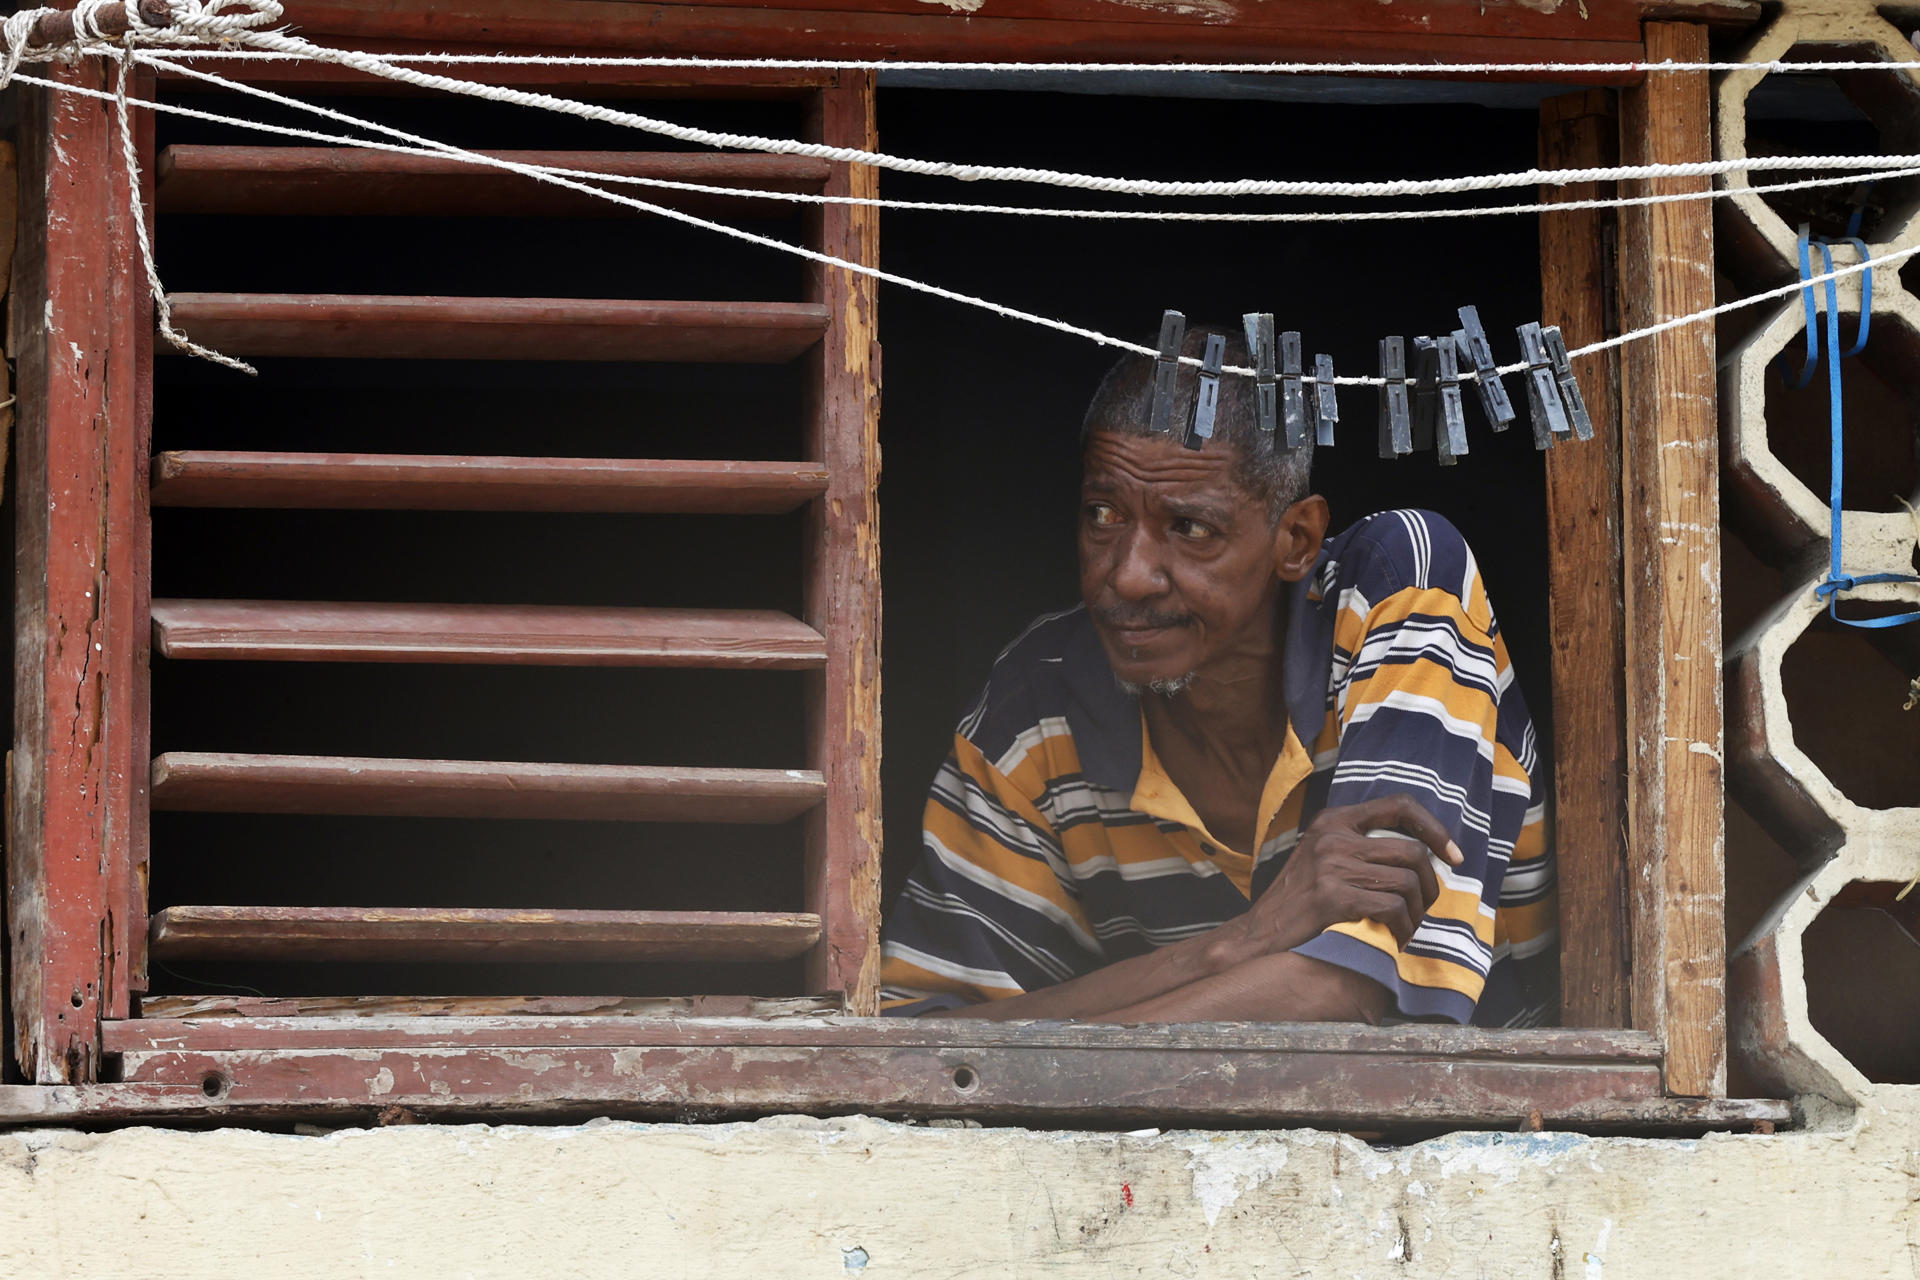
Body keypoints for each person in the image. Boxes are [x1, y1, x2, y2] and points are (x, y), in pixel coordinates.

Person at [879, 323, 1557, 1025]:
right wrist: (1240, 942)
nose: (1128, 575)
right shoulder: (1036, 706)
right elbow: (922, 1045)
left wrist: (1049, 1047)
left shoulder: (1398, 589)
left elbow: (1351, 999)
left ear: (1295, 541)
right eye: (1103, 515)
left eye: (1190, 529)